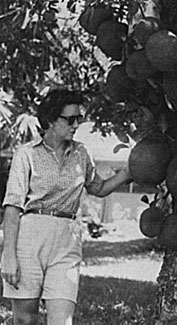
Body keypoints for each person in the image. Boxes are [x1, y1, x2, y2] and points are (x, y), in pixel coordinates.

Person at [0, 89, 132, 325]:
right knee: (24, 320)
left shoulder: (81, 153)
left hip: (67, 239)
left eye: (78, 119)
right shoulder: (26, 154)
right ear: (51, 119)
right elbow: (12, 206)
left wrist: (128, 172)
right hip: (30, 238)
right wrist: (8, 255)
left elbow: (98, 188)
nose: (76, 125)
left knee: (63, 320)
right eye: (69, 119)